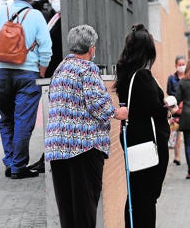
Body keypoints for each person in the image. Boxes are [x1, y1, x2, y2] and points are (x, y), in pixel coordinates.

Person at [45, 24, 128, 228]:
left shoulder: (60, 69)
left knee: (67, 210)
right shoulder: (88, 70)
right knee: (85, 210)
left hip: (58, 149)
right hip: (84, 148)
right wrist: (118, 112)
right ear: (91, 48)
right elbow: (98, 105)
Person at [0, 0, 53, 179]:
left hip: (2, 73)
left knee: (6, 118)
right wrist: (40, 71)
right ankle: (18, 166)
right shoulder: (36, 16)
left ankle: (10, 160)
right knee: (23, 121)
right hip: (28, 74)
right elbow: (46, 49)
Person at [115, 24, 170, 228]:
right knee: (147, 196)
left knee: (137, 193)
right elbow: (154, 108)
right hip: (148, 142)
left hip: (133, 139)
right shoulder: (142, 76)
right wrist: (165, 106)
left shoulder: (125, 74)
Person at [166, 55, 186, 166]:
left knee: (184, 133)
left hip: (186, 109)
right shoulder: (171, 78)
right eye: (180, 65)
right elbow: (169, 92)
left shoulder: (188, 77)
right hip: (175, 110)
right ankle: (176, 157)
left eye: (183, 64)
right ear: (176, 66)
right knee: (175, 132)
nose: (182, 67)